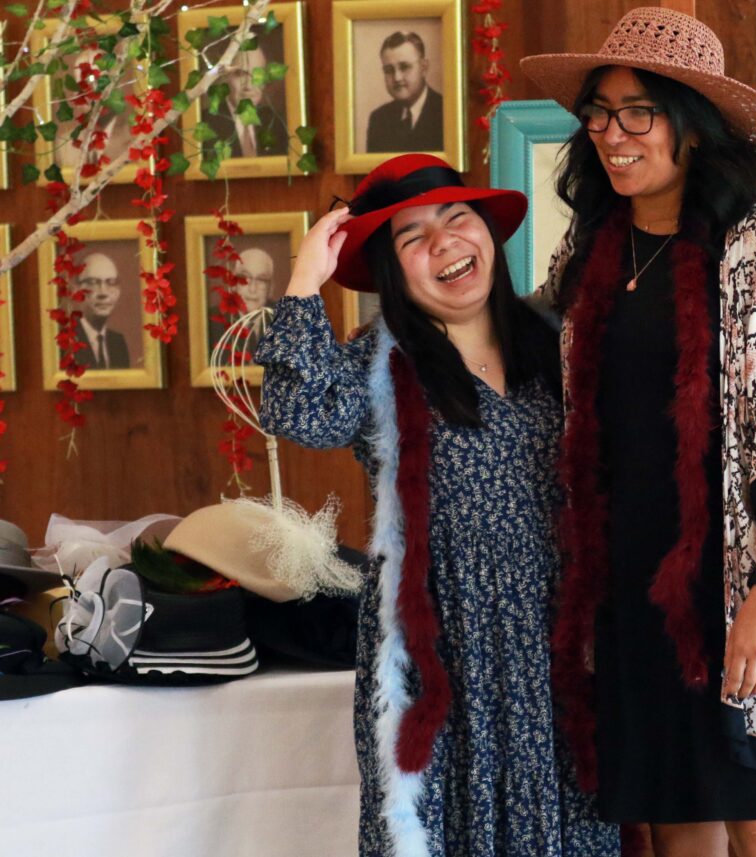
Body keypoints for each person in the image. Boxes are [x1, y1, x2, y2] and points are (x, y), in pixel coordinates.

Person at [522, 8, 756, 857]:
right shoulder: (595, 248)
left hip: (745, 581)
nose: (613, 133)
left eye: (638, 111)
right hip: (633, 588)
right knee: (679, 820)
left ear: (691, 124)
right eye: (599, 113)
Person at [254, 153, 618, 857]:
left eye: (458, 218)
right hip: (441, 660)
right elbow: (299, 410)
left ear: (487, 232)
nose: (444, 243)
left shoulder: (557, 344)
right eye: (412, 237)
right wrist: (305, 279)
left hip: (559, 648)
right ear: (393, 272)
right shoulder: (380, 363)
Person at [205, 42, 288, 159]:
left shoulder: (276, 125)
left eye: (257, 75)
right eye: (240, 74)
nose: (249, 86)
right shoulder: (206, 125)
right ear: (224, 77)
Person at [365, 32, 444, 153]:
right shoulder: (379, 119)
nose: (397, 78)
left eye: (404, 67)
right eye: (389, 70)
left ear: (424, 67)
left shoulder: (446, 112)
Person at [209, 247, 278, 353]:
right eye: (245, 278)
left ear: (271, 288)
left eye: (261, 279)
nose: (252, 289)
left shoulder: (284, 319)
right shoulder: (209, 321)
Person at [71, 252, 130, 370]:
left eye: (111, 283)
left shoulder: (118, 343)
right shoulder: (66, 341)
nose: (103, 293)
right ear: (76, 290)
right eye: (92, 283)